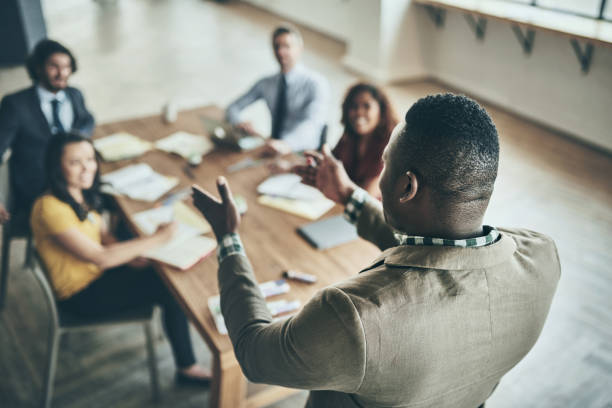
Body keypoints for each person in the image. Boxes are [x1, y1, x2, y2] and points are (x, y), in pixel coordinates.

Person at [192, 94, 560, 407]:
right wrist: (349, 196)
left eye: (386, 163)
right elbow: (440, 256)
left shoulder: (354, 317)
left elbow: (257, 355)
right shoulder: (541, 257)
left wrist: (228, 240)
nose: (380, 172)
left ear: (406, 187)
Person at [30, 133, 210, 385]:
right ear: (56, 166)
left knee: (159, 270)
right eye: (75, 162)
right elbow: (101, 258)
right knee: (170, 288)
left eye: (90, 159)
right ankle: (187, 368)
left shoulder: (77, 194)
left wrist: (130, 256)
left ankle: (185, 362)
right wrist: (157, 239)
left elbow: (103, 236)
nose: (87, 168)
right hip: (81, 294)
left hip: (95, 273)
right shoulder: (49, 207)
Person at [0, 39, 95, 226]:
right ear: (38, 68)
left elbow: (87, 119)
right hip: (39, 188)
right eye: (54, 67)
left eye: (67, 67)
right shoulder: (15, 104)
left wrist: (77, 144)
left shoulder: (75, 94)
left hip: (75, 179)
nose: (62, 73)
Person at [225, 24, 329, 156]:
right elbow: (232, 108)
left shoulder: (316, 83)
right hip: (273, 148)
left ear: (300, 49)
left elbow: (312, 125)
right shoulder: (266, 83)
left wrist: (286, 144)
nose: (280, 52)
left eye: (286, 46)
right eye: (276, 46)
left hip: (303, 153)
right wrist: (239, 122)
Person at [332, 82, 398, 199]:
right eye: (354, 106)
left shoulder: (391, 144)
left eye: (366, 106)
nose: (359, 112)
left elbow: (367, 195)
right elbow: (330, 163)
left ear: (381, 110)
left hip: (376, 212)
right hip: (345, 204)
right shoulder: (350, 136)